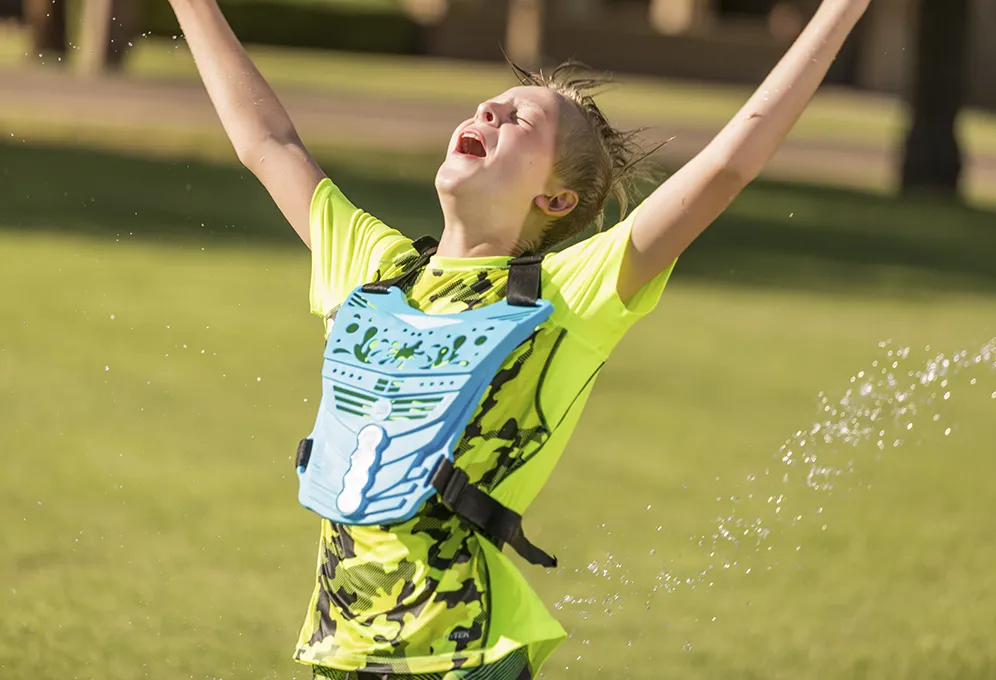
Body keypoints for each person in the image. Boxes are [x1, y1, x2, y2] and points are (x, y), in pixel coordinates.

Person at [165, 0, 871, 677]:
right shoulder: (373, 270)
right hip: (339, 651)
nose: (489, 110)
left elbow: (725, 167)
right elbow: (268, 142)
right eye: (489, 105)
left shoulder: (571, 294)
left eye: (520, 118)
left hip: (470, 656)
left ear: (555, 199)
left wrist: (842, 7)